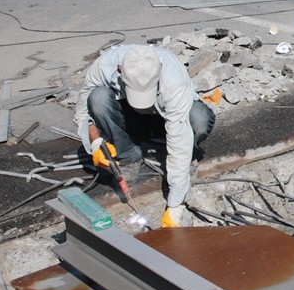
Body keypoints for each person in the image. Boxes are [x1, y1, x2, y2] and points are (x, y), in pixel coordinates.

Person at [74, 44, 215, 227]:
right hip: (130, 117)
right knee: (98, 98)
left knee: (199, 119)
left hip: (164, 118)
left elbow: (179, 137)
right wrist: (95, 140)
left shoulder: (174, 81)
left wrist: (175, 205)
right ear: (120, 70)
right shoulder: (104, 66)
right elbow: (83, 109)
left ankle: (189, 157)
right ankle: (129, 156)